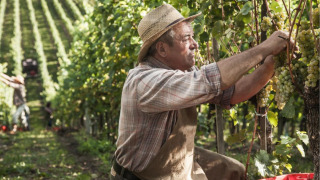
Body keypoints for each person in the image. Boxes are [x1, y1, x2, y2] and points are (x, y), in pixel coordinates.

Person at [111, 4, 295, 180]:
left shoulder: (182, 72)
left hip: (175, 162)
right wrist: (265, 48)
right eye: (186, 38)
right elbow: (208, 80)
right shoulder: (145, 81)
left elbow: (234, 92)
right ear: (162, 49)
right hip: (143, 176)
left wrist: (271, 63)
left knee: (234, 172)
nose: (195, 44)